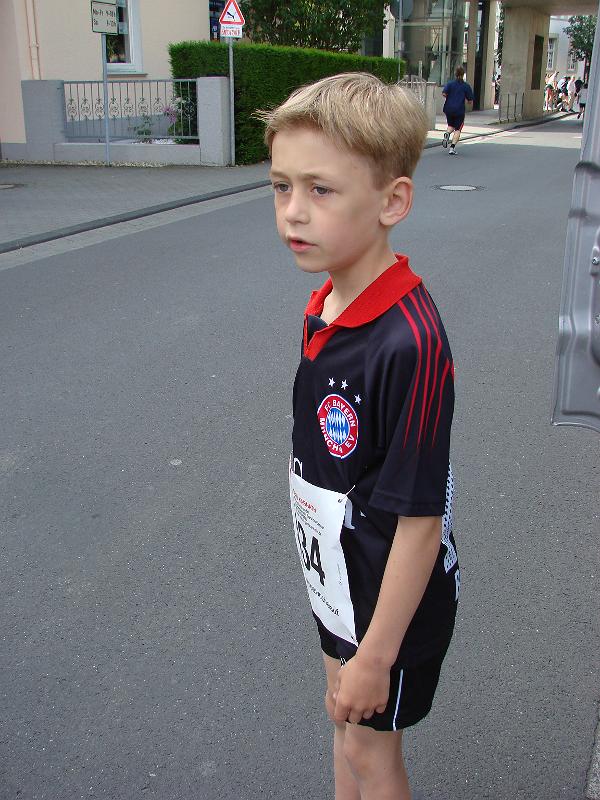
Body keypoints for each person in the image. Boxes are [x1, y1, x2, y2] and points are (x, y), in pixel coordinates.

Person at [258, 73, 459, 800]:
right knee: (343, 732)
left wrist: (375, 656)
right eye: (281, 187)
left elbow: (421, 520)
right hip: (338, 581)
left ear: (392, 202)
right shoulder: (326, 302)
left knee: (373, 756)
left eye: (321, 190)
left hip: (389, 604)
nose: (293, 211)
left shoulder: (410, 343)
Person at [442, 66, 474, 154]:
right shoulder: (466, 86)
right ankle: (452, 148)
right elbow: (470, 100)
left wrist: (450, 97)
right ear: (463, 74)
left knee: (450, 125)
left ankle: (447, 133)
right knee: (458, 129)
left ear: (455, 74)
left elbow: (444, 93)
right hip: (459, 110)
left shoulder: (450, 84)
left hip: (448, 108)